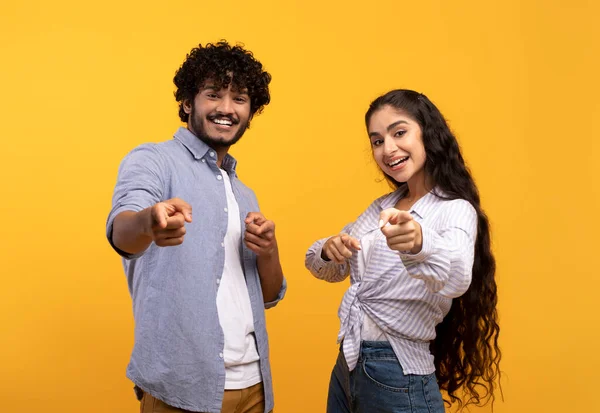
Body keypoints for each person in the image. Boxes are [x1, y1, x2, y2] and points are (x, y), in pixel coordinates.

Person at [106, 41, 286, 413]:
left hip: (254, 384)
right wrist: (149, 222)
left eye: (239, 98)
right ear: (188, 102)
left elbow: (268, 295)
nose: (226, 108)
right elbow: (122, 230)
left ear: (251, 111)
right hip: (182, 386)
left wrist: (268, 250)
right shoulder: (153, 160)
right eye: (213, 94)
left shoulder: (243, 192)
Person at [305, 89, 500, 412]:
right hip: (348, 365)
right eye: (377, 140)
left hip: (396, 370)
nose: (388, 149)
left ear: (428, 134)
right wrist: (329, 249)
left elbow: (457, 275)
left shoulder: (454, 210)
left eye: (399, 132)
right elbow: (323, 267)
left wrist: (420, 244)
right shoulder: (382, 207)